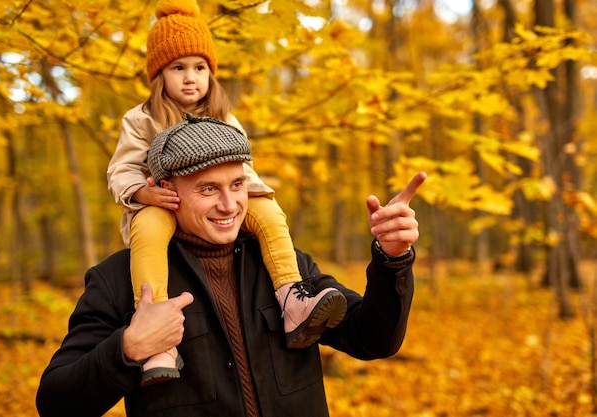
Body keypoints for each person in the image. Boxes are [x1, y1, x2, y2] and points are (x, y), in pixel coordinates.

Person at [36, 116, 426, 417]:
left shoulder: (284, 265)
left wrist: (392, 259)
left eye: (237, 185)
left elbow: (374, 340)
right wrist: (127, 348)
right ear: (164, 191)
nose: (229, 205)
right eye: (208, 189)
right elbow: (56, 403)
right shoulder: (118, 280)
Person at [106, 0, 346, 385]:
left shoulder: (224, 117)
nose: (190, 78)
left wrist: (253, 196)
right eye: (178, 68)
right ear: (158, 74)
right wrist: (141, 193)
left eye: (199, 68)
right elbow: (121, 168)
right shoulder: (141, 118)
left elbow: (243, 172)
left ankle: (291, 298)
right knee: (147, 230)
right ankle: (154, 327)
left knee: (269, 213)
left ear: (210, 73)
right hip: (164, 201)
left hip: (213, 203)